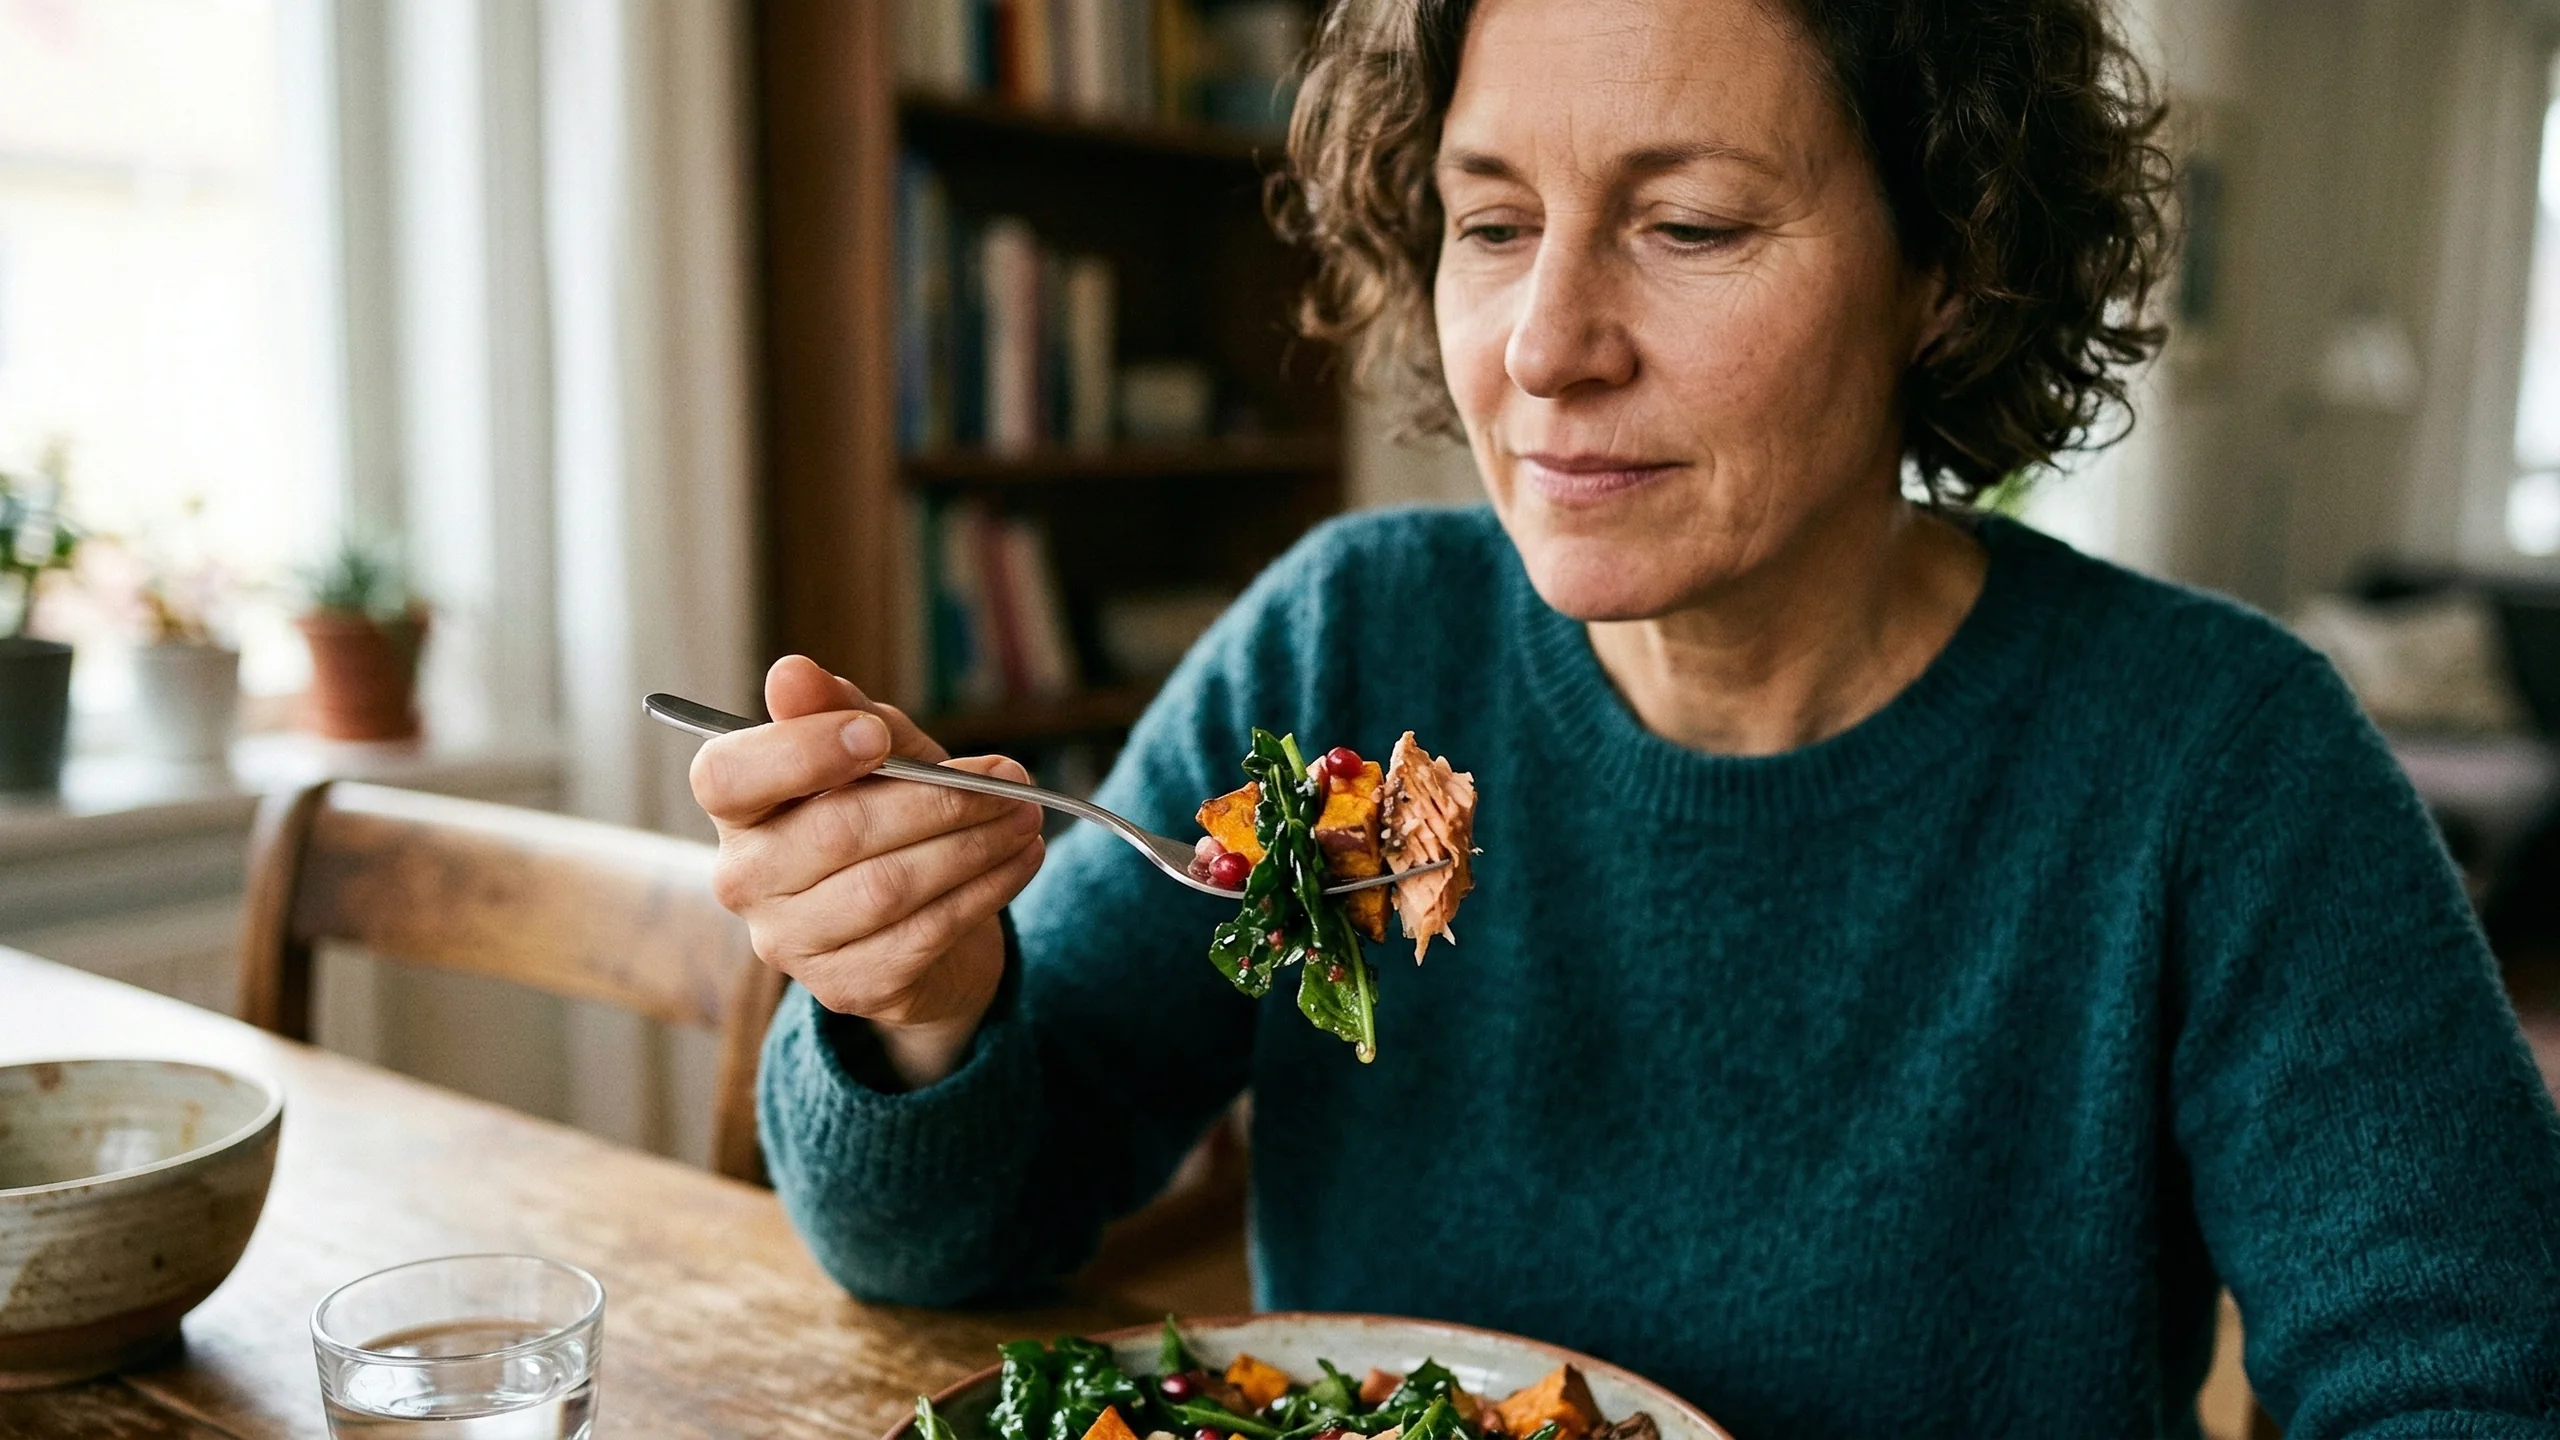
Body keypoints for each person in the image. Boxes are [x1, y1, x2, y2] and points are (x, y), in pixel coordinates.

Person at [690, 0, 2560, 1433]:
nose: (1543, 347)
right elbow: (944, 1238)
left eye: (1690, 224)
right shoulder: (1348, 646)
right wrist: (918, 1009)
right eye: (1492, 224)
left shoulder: (2219, 764)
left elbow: (2469, 1388)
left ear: (1944, 270)